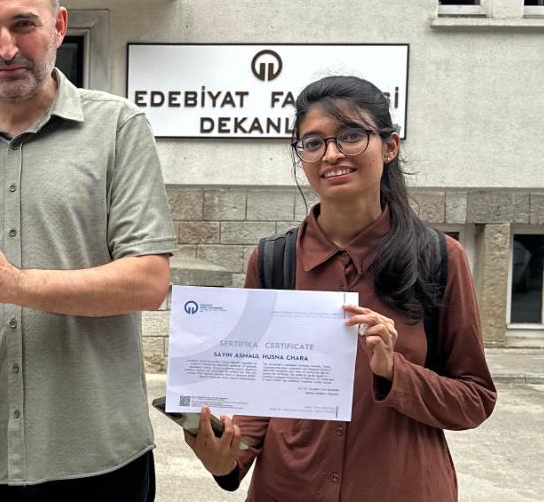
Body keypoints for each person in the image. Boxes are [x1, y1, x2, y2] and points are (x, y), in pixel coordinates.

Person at [0, 0, 176, 501]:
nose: (6, 48)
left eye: (23, 24)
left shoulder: (117, 129)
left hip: (95, 453)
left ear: (58, 26)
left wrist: (16, 284)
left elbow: (149, 281)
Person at [183, 75, 497, 502]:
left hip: (400, 489)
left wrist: (395, 372)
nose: (331, 154)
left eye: (351, 136)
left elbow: (475, 398)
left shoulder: (439, 257)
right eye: (313, 143)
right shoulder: (274, 262)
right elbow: (259, 396)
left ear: (390, 146)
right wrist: (228, 459)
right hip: (289, 490)